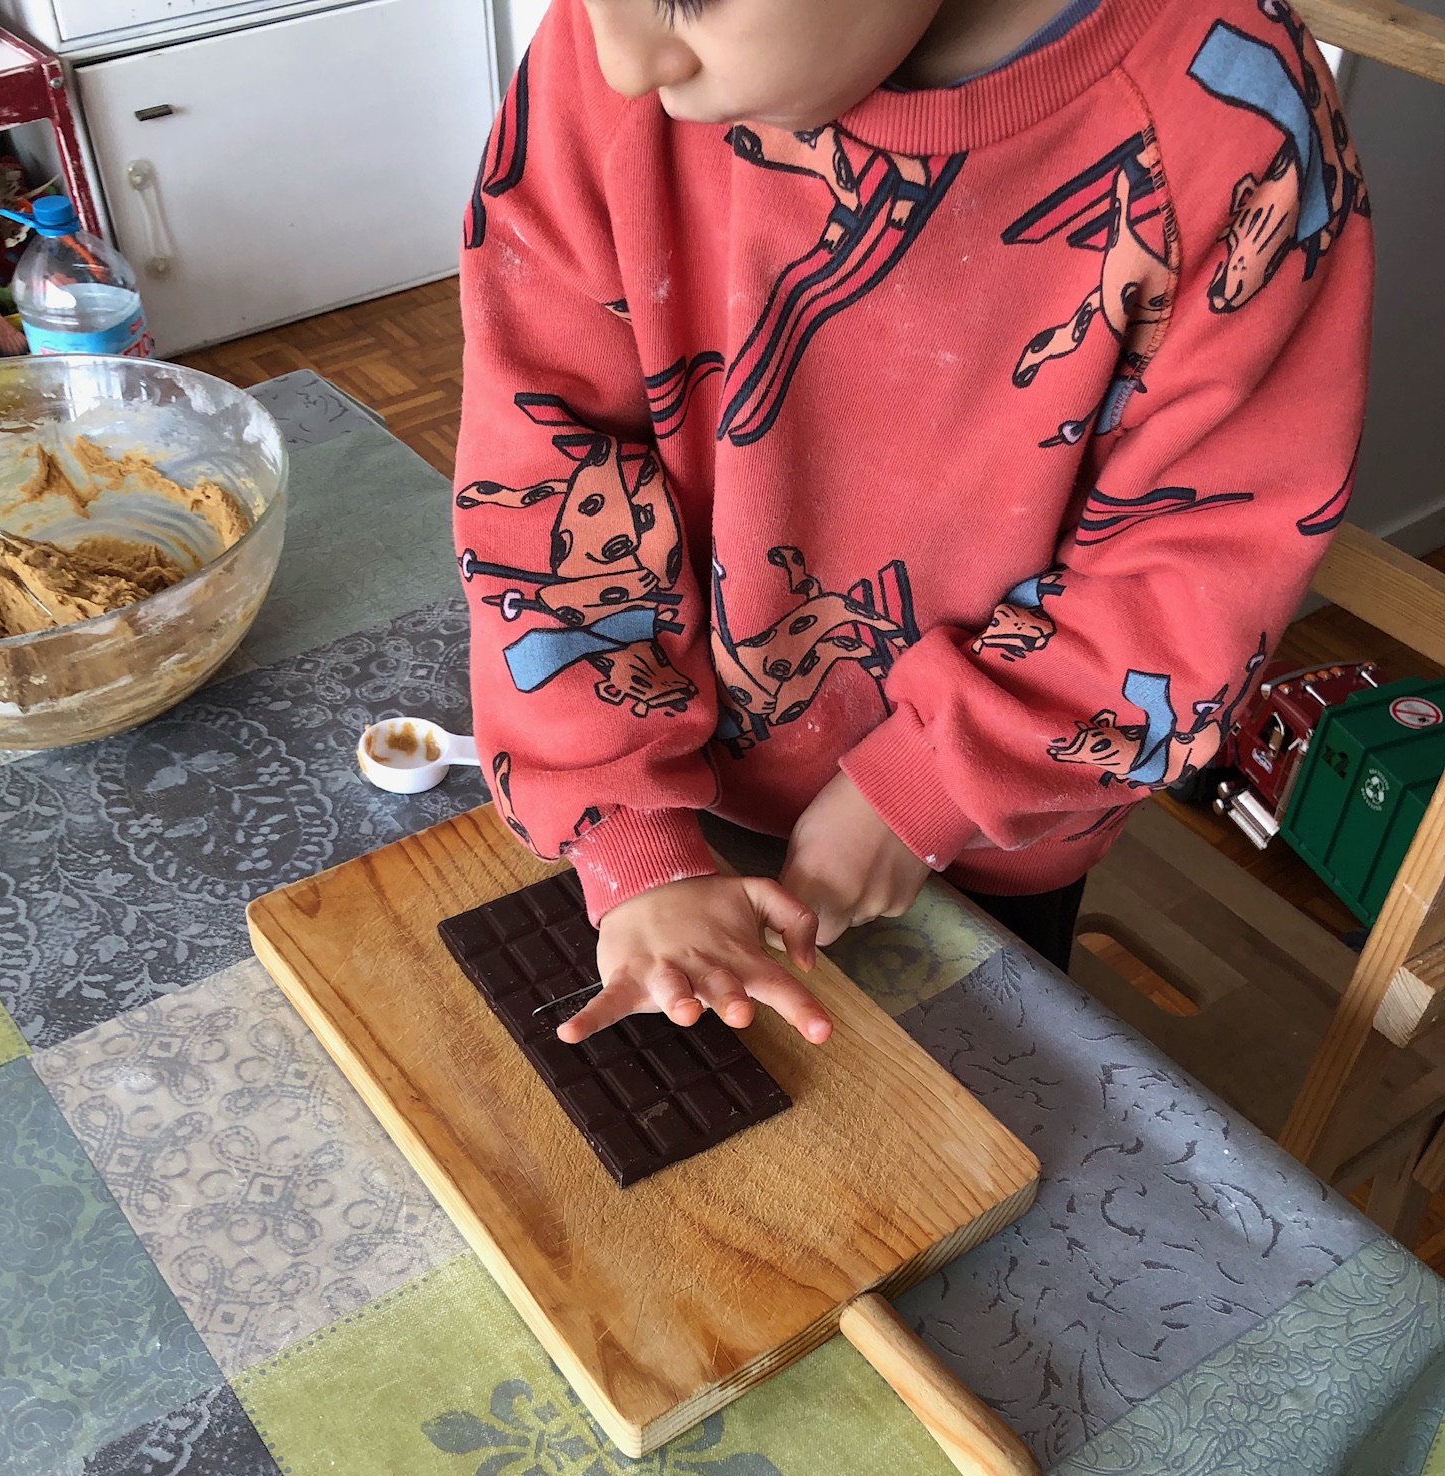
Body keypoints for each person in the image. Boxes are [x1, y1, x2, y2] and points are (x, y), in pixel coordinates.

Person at [454, 0, 1370, 1045]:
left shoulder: (1232, 129)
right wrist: (629, 833)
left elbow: (1198, 563)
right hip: (667, 776)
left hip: (990, 824)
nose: (620, 60)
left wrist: (927, 782)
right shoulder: (606, 51)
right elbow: (544, 457)